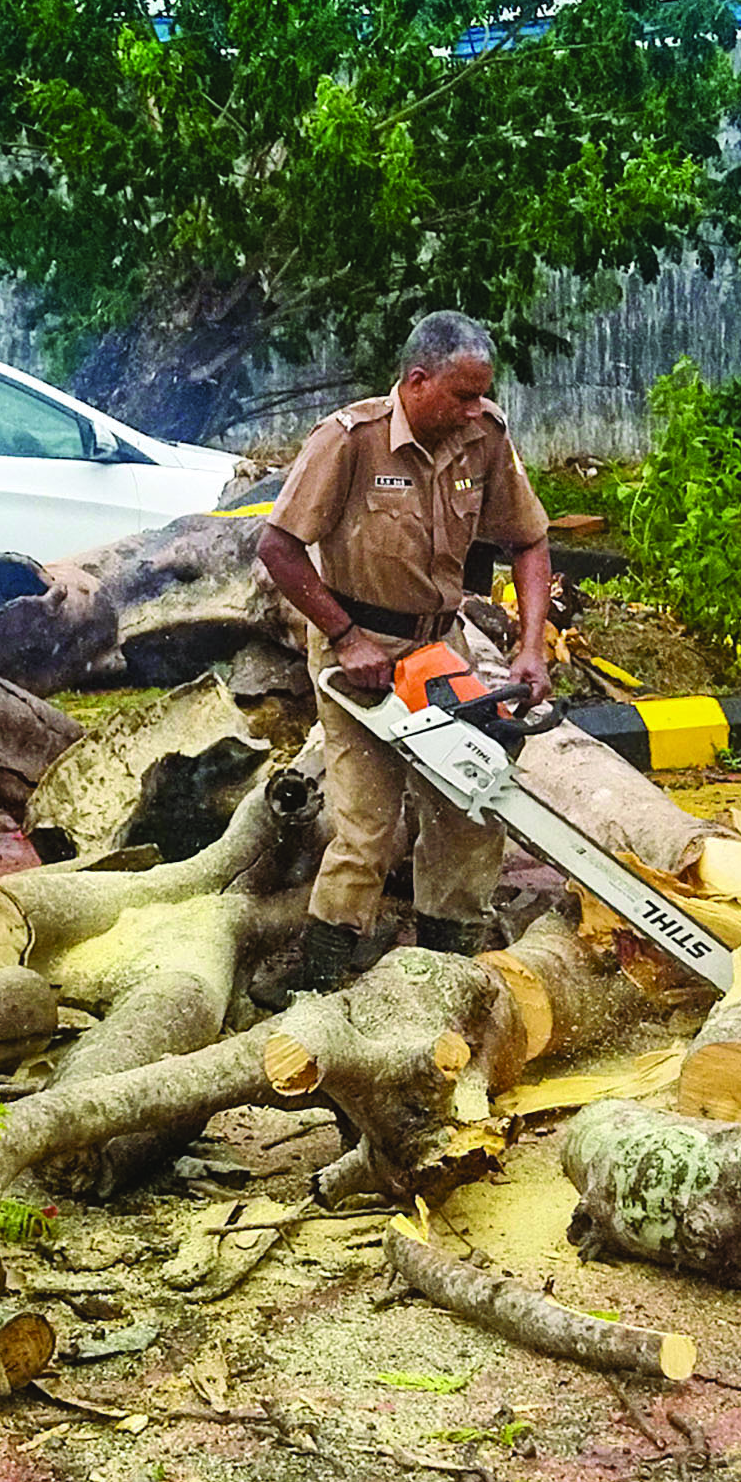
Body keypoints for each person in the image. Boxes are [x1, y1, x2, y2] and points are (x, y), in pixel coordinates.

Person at [252, 309, 560, 987]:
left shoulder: (483, 439)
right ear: (418, 381)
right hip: (355, 652)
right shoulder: (350, 440)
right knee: (366, 823)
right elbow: (277, 547)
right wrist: (344, 635)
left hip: (439, 648)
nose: (475, 407)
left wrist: (530, 646)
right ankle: (322, 974)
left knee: (468, 810)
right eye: (462, 394)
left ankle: (446, 971)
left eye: (482, 393)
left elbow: (530, 540)